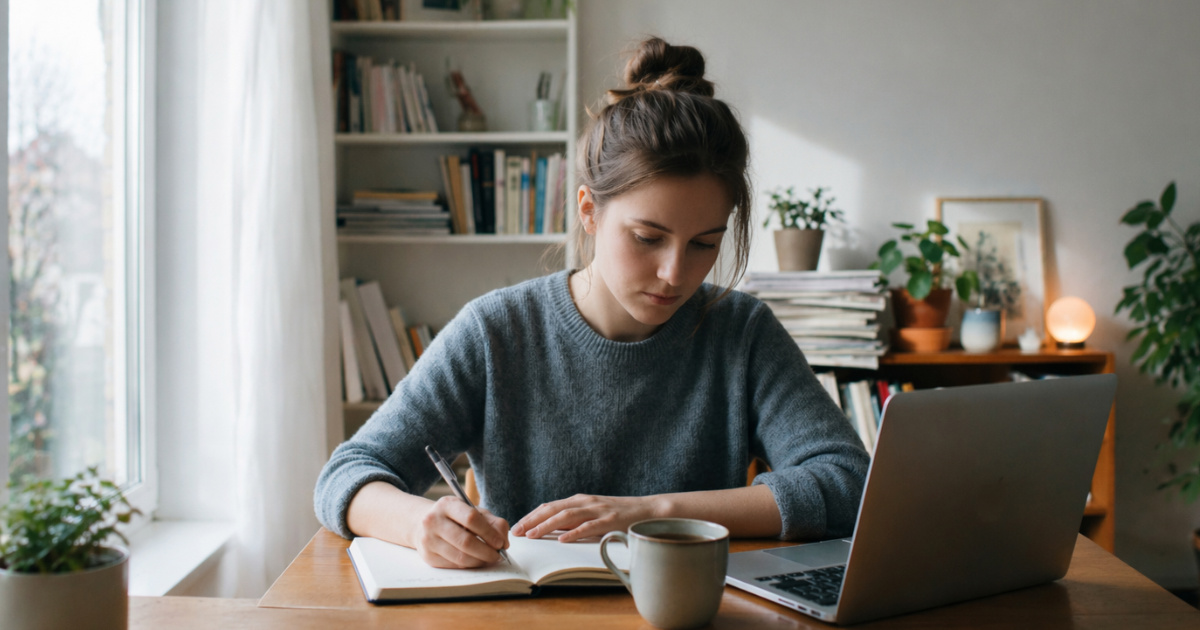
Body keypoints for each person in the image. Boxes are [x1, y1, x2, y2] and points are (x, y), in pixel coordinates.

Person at [314, 37, 870, 570]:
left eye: (705, 243)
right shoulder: (497, 330)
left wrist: (653, 513)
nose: (675, 274)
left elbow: (846, 480)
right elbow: (348, 474)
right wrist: (420, 525)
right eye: (647, 237)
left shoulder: (741, 331)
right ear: (589, 211)